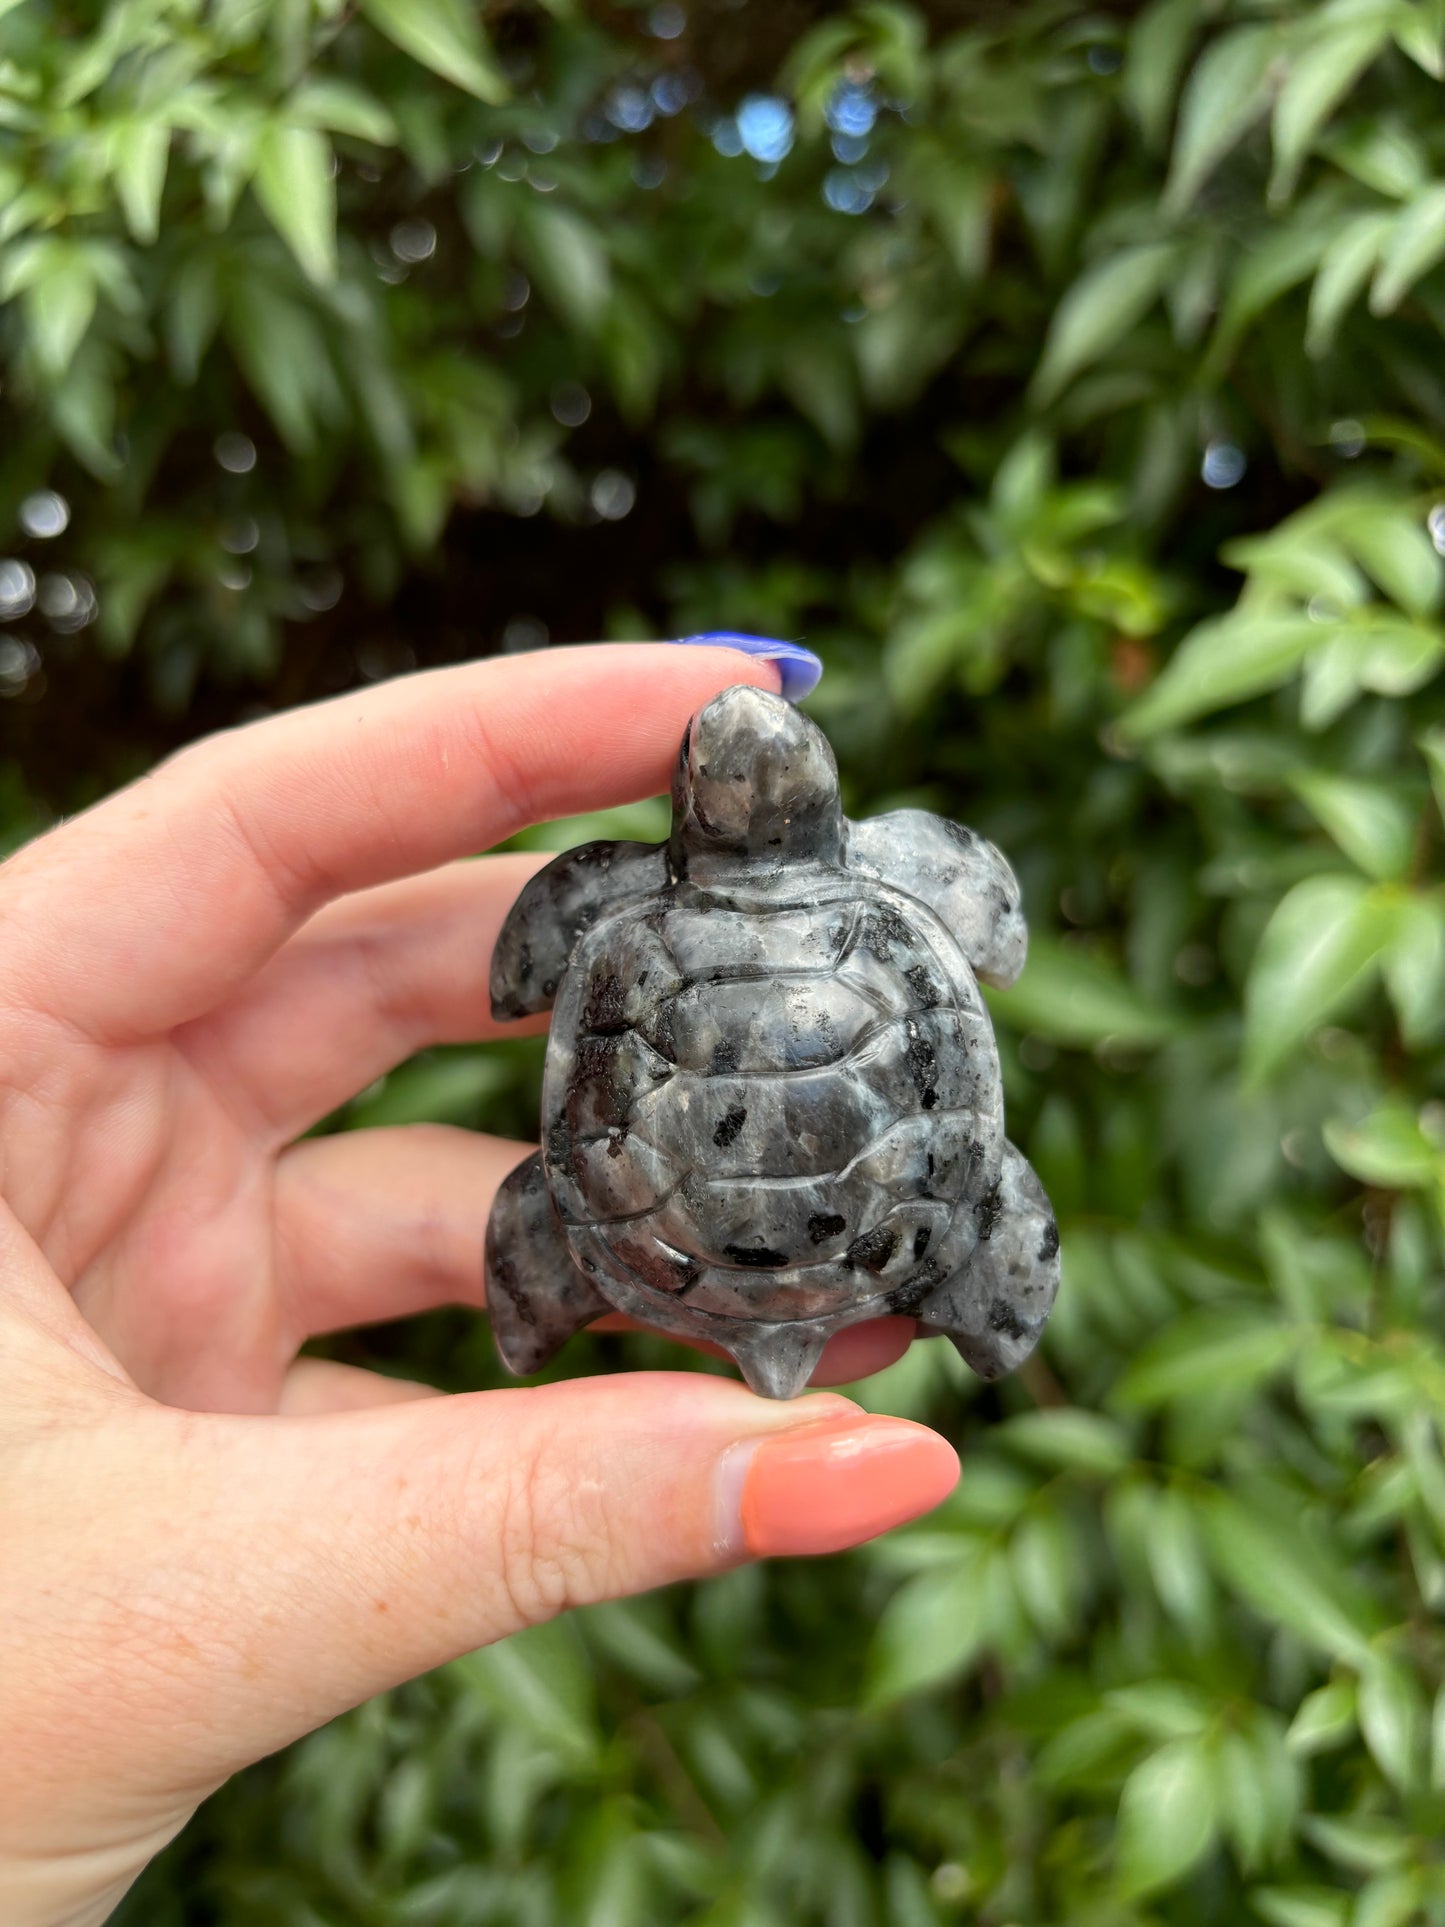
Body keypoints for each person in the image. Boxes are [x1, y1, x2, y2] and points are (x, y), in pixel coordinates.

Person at [0, 642, 961, 1925]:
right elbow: (984, 946)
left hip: (652, 1238)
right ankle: (971, 1292)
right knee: (961, 1199)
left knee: (538, 1209)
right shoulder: (912, 878)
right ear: (830, 801)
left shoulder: (608, 901)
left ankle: (554, 1295)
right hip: (873, 1230)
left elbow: (524, 978)